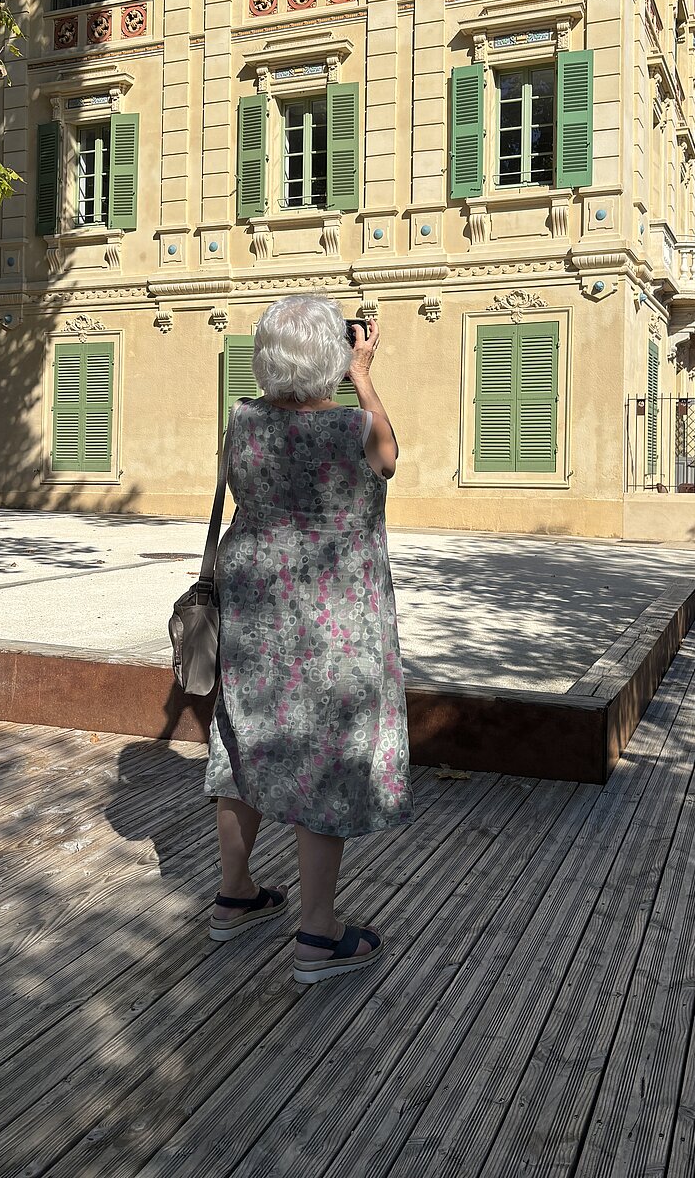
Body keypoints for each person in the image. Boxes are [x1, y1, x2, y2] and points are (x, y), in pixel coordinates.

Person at [204, 294, 412, 984]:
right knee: (324, 748)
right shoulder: (358, 428)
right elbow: (391, 457)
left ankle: (235, 896)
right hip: (335, 606)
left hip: (255, 596)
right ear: (332, 352)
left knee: (243, 736)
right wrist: (365, 373)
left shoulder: (243, 422)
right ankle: (319, 936)